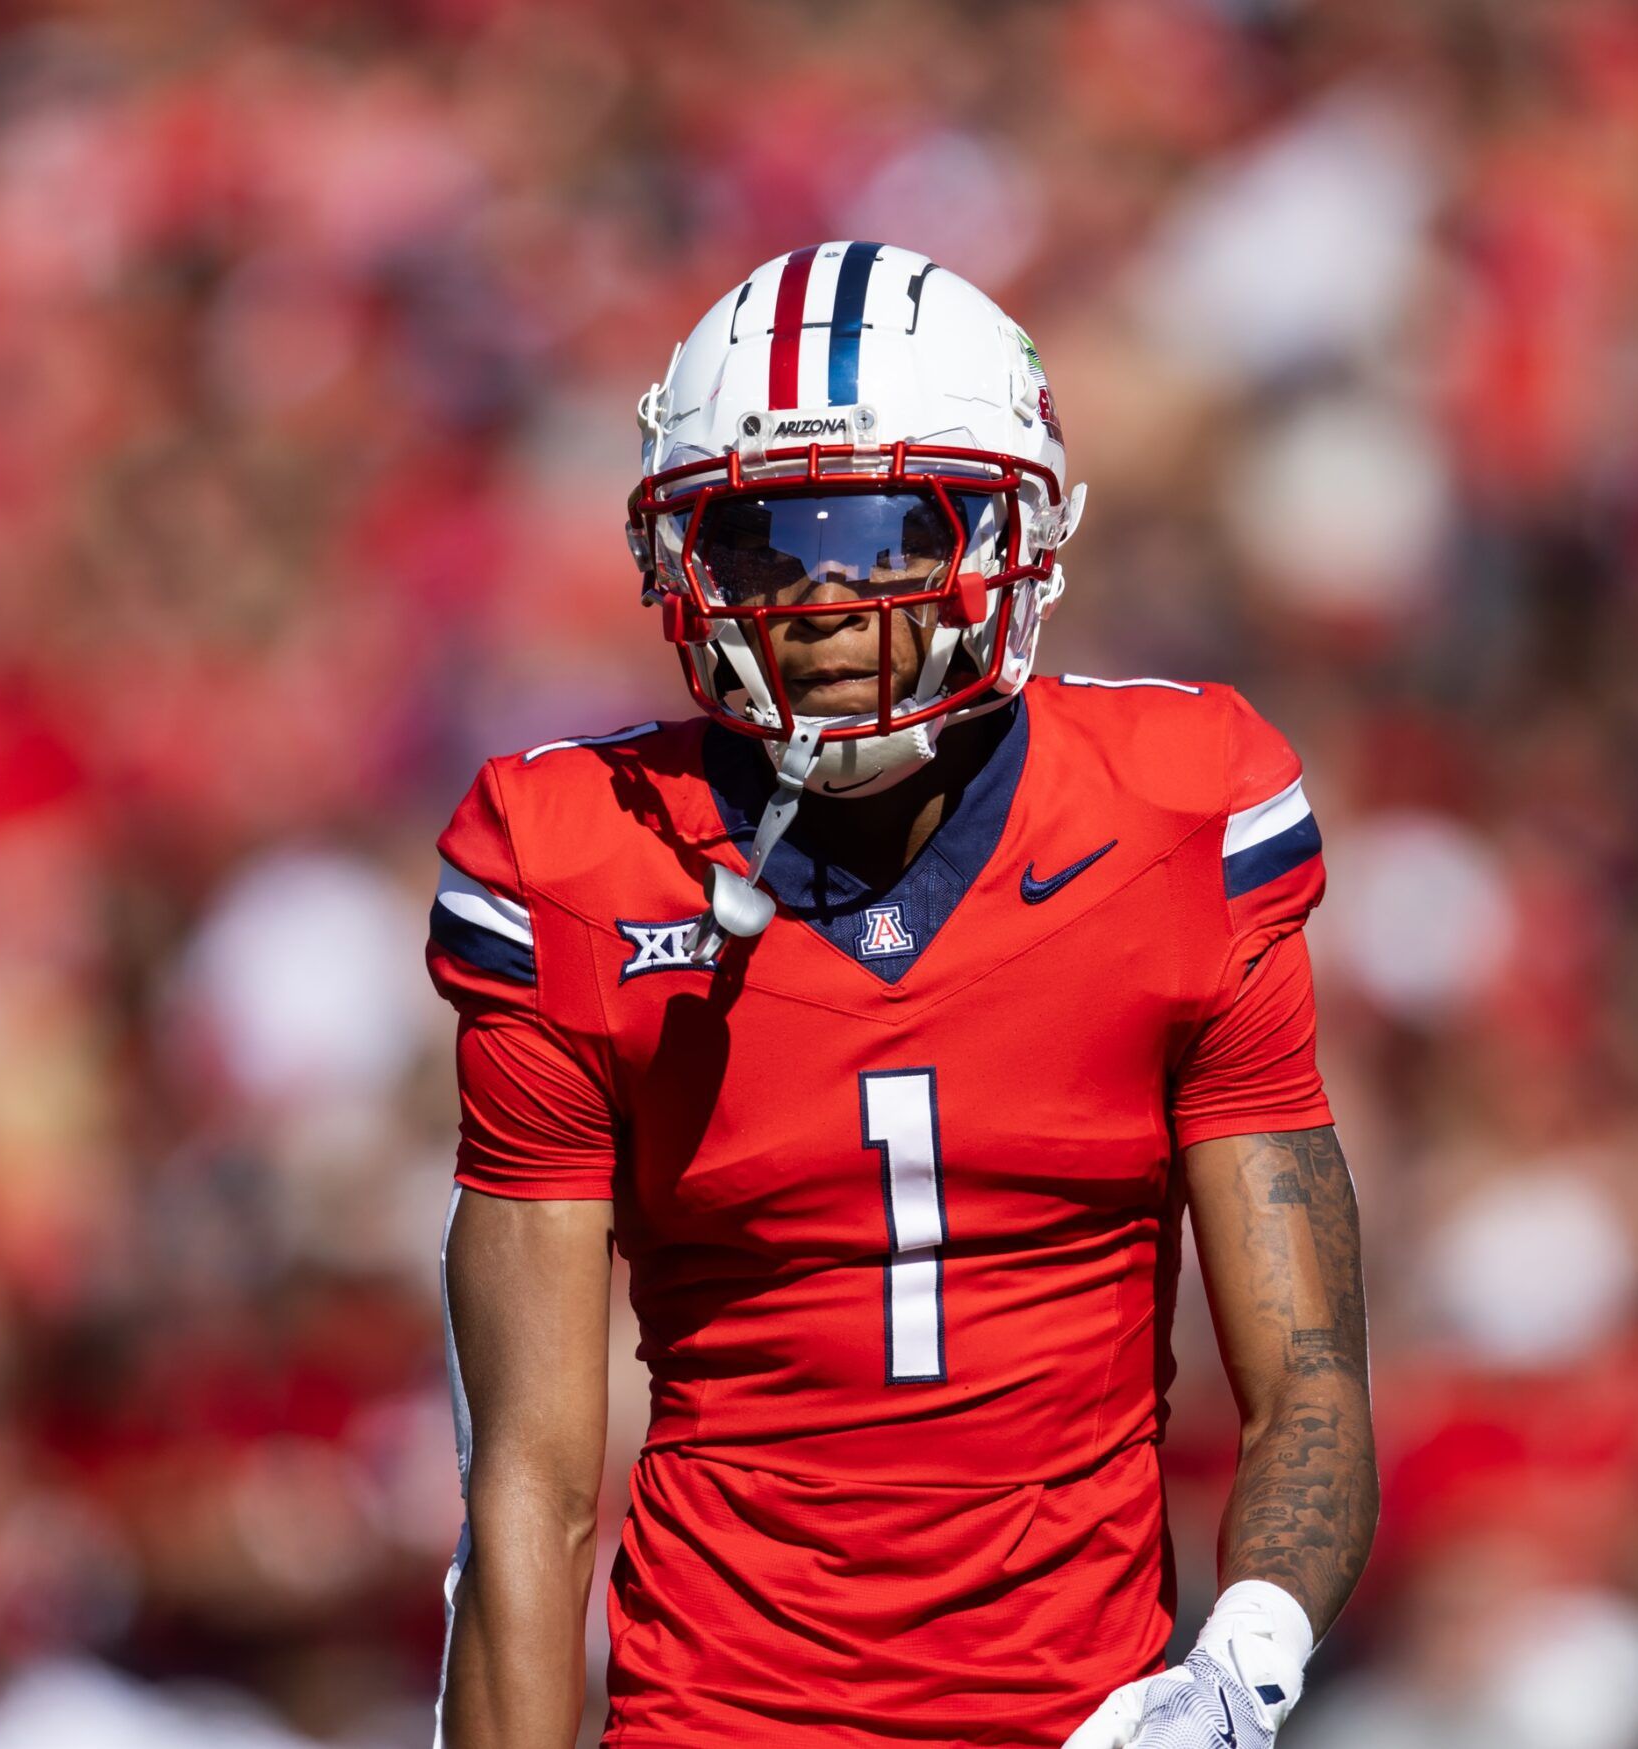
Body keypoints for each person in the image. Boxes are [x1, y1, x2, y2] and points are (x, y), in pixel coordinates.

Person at [425, 241, 1376, 1749]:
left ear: (1018, 531)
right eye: (762, 540)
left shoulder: (1185, 813)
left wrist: (1239, 1669)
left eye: (882, 530)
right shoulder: (577, 863)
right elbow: (529, 1484)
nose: (819, 594)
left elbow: (1309, 1379)